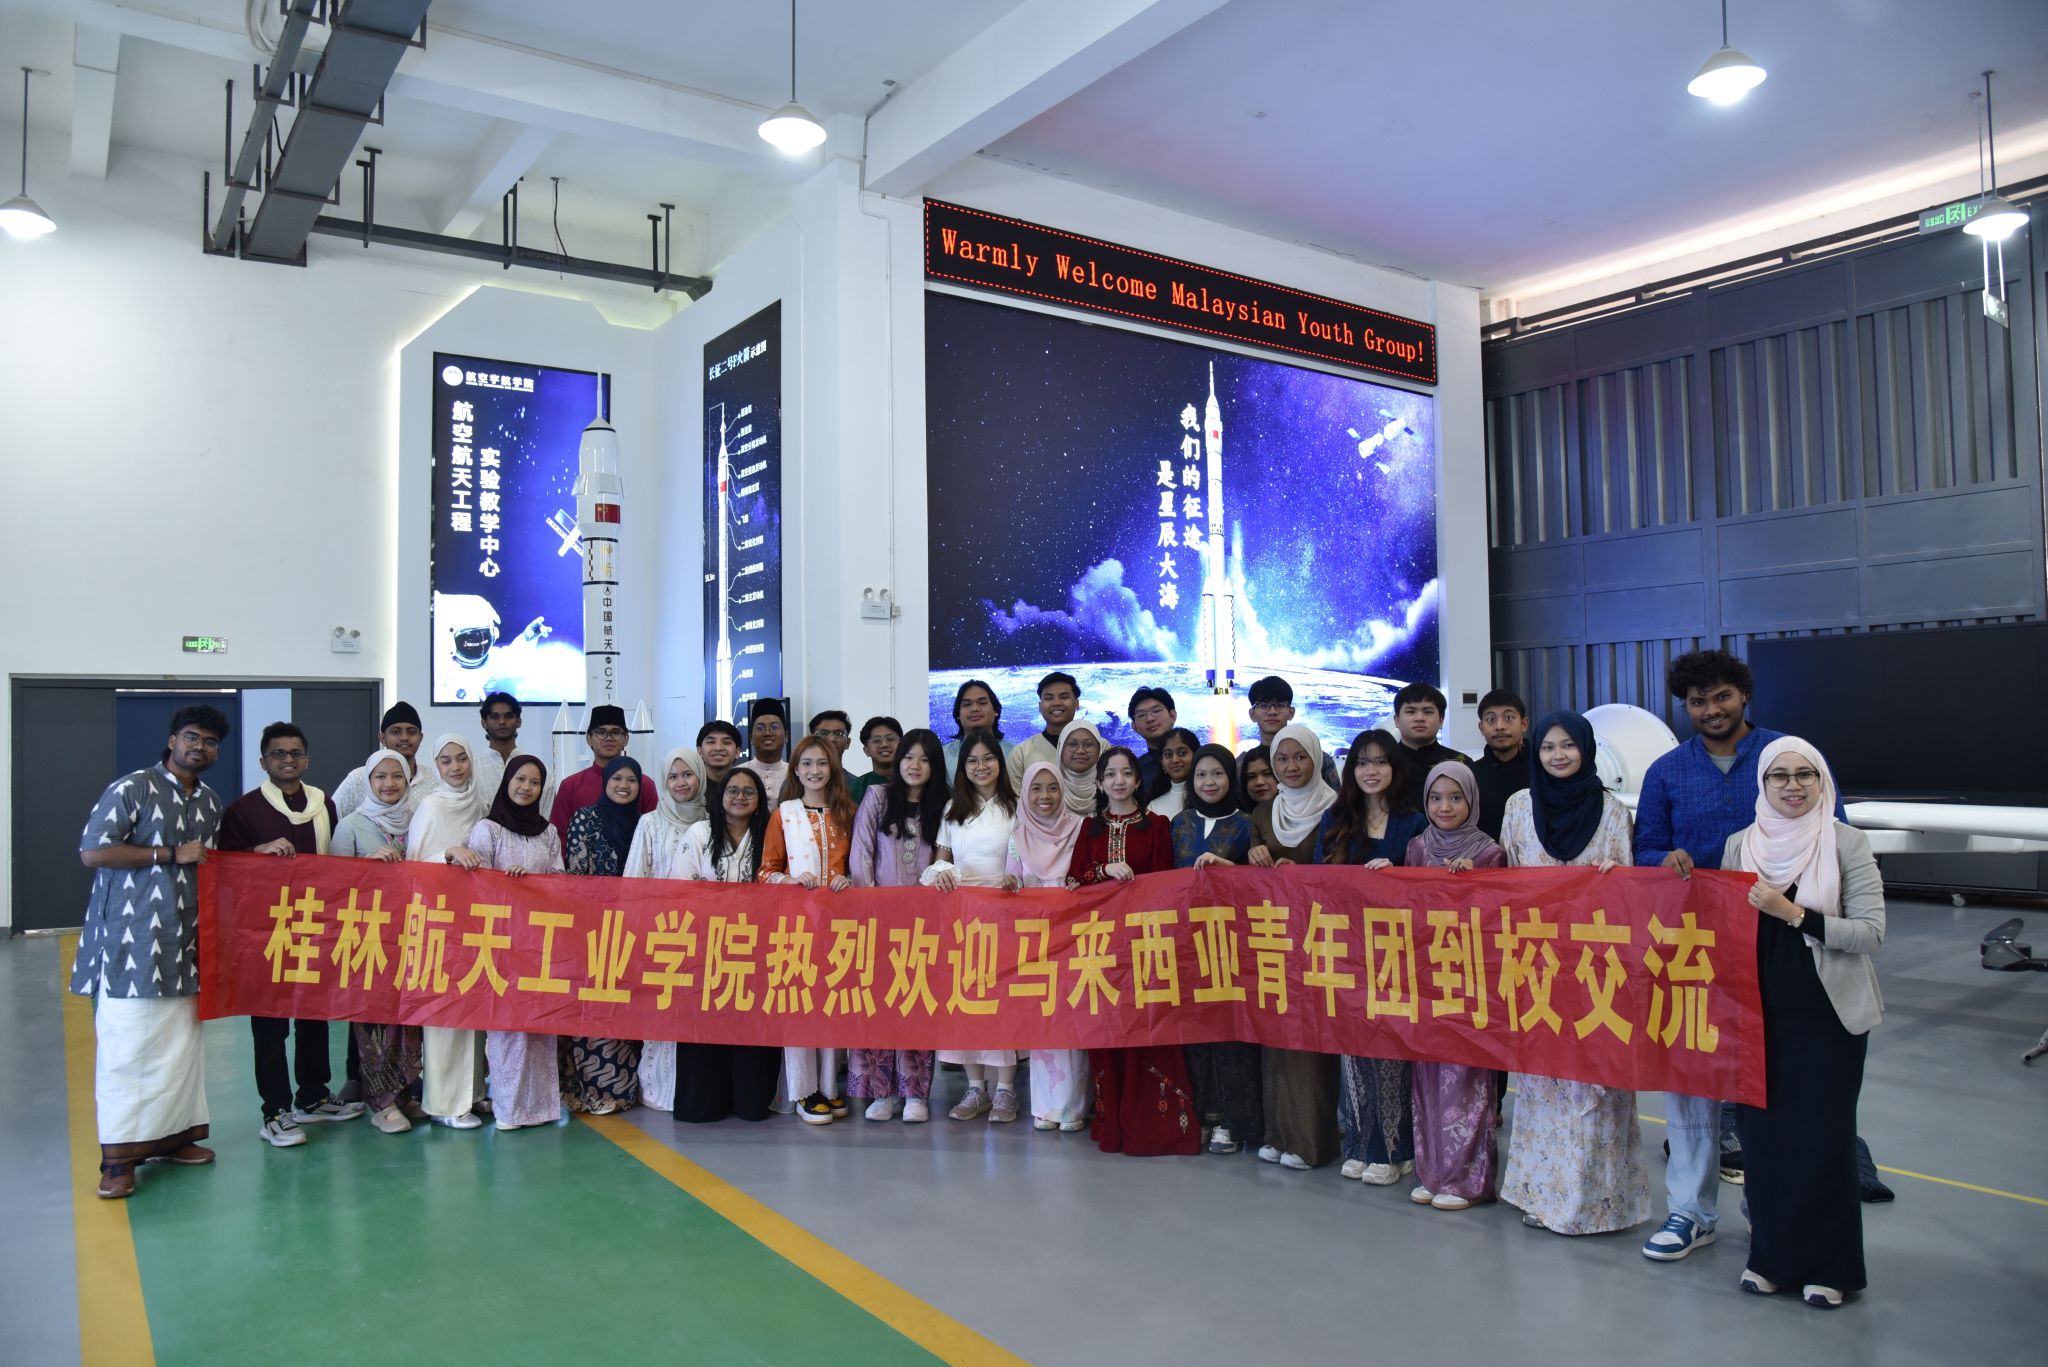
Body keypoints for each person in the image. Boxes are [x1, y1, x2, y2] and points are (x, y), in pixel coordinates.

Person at [1633, 647, 1849, 1260]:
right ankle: (1690, 1212)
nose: (1711, 710)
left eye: (1721, 696)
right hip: (1693, 944)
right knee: (1690, 1078)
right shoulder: (1667, 771)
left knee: (1768, 1080)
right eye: (1697, 701)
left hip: (1780, 944)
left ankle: (1769, 1209)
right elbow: (1644, 847)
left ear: (1744, 694)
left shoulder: (1786, 756)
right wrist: (1663, 859)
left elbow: (1836, 832)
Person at [1728, 740, 1884, 1310]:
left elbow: (1870, 932)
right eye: (1780, 776)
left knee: (1822, 1140)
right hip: (1757, 1014)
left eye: (1805, 775)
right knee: (1763, 1142)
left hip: (1827, 1018)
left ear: (1822, 782)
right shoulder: (1741, 845)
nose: (1792, 786)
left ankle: (1829, 1268)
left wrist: (1794, 914)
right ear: (1763, 785)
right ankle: (1770, 1259)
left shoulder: (1845, 842)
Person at [1497, 709, 1652, 1236]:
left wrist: (1617, 879)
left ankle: (1596, 1204)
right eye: (1548, 747)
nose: (1558, 755)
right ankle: (1541, 1195)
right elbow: (1506, 883)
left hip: (1596, 971)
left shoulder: (1612, 812)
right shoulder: (1519, 807)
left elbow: (1631, 892)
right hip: (1538, 966)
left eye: (1568, 745)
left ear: (1586, 749)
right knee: (1542, 1082)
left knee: (1596, 1085)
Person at [75, 705, 230, 1200]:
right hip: (131, 945)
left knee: (180, 1049)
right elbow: (94, 851)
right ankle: (119, 1159)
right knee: (128, 1050)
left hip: (185, 944)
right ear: (172, 740)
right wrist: (167, 854)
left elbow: (212, 862)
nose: (199, 747)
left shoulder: (210, 801)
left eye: (210, 742)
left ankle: (175, 1138)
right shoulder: (133, 788)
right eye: (192, 737)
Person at [217, 723, 362, 1147]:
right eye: (278, 753)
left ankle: (313, 1097)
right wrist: (255, 853)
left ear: (307, 759)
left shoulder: (323, 805)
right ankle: (275, 1111)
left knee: (314, 1015)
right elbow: (223, 869)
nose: (287, 759)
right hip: (265, 932)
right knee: (270, 1023)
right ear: (263, 761)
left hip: (315, 925)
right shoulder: (244, 810)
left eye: (295, 753)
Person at [1315, 730, 1429, 1185]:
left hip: (1397, 954)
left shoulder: (1413, 822)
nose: (1371, 770)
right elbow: (1319, 883)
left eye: (1380, 761)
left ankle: (1394, 1149)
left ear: (1395, 768)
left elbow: (1429, 890)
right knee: (1354, 1052)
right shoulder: (1335, 818)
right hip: (1348, 952)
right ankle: (1361, 1143)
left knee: (1391, 1052)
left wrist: (1399, 876)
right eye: (1362, 762)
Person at [1074, 747, 1198, 1156]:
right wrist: (1102, 870)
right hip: (1101, 949)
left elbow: (1165, 884)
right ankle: (1112, 1123)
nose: (1119, 781)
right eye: (1110, 774)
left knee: (1148, 1029)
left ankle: (1153, 1125)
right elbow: (1073, 882)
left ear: (1138, 780)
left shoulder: (1157, 825)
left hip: (1146, 946)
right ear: (1099, 782)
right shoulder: (1089, 828)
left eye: (1126, 773)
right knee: (1108, 1033)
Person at [1403, 761, 1507, 1211]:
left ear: (1471, 800)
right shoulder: (1416, 847)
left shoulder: (1489, 852)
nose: (1444, 807)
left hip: (1469, 981)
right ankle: (1432, 1172)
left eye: (1455, 798)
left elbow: (1499, 916)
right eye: (1435, 798)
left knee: (1465, 1078)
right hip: (1425, 977)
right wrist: (1383, 875)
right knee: (1427, 1076)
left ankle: (1467, 1180)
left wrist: (1474, 883)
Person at [1246, 723, 1341, 1170]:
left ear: (1316, 758)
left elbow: (1341, 871)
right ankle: (1278, 1134)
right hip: (1274, 940)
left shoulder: (1336, 808)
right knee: (1276, 1036)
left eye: (1300, 756)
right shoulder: (1264, 813)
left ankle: (1312, 1141)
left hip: (1320, 940)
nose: (1291, 766)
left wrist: (1301, 874)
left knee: (1311, 1039)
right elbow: (1251, 879)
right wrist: (1253, 859)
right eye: (1282, 759)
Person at [460, 755, 566, 1132]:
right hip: (500, 943)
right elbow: (477, 885)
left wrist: (534, 883)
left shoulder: (548, 832)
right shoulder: (487, 830)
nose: (526, 787)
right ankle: (508, 1109)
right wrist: (509, 885)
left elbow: (560, 881)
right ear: (507, 781)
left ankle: (540, 1107)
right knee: (507, 1029)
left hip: (539, 943)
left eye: (535, 782)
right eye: (520, 779)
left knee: (538, 1025)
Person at [672, 767, 784, 1123]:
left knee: (751, 1025)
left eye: (749, 792)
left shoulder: (770, 836)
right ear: (720, 798)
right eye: (732, 790)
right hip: (707, 947)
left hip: (757, 949)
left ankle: (751, 1100)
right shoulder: (700, 833)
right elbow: (681, 888)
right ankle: (705, 1103)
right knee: (708, 1024)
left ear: (759, 800)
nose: (740, 797)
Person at [922, 731, 1023, 1123]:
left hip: (1005, 916)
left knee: (1001, 1004)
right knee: (964, 1003)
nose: (981, 767)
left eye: (988, 759)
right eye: (972, 761)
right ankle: (975, 1088)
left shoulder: (1016, 806)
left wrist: (1016, 878)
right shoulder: (953, 809)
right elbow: (941, 858)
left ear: (1000, 762)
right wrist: (942, 872)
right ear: (962, 768)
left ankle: (1006, 1089)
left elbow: (1024, 858)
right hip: (962, 919)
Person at [847, 728, 946, 1122]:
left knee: (916, 1002)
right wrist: (871, 906)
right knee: (876, 1004)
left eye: (924, 759)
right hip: (877, 920)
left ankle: (915, 1094)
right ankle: (880, 1093)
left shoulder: (945, 804)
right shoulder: (877, 797)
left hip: (923, 924)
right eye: (908, 757)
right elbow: (861, 853)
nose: (914, 765)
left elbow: (944, 861)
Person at [758, 735, 856, 1123]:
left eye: (822, 763)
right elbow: (766, 872)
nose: (815, 771)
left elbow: (858, 866)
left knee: (832, 1006)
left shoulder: (847, 812)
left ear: (832, 768)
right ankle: (803, 1090)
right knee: (800, 1006)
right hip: (795, 927)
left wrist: (849, 881)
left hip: (840, 926)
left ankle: (830, 1087)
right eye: (807, 764)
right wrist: (791, 880)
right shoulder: (783, 814)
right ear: (795, 771)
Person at [331, 747, 425, 1134]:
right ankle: (381, 1103)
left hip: (413, 936)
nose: (389, 783)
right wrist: (366, 869)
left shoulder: (418, 819)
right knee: (374, 1023)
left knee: (409, 1020)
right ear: (368, 782)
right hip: (369, 939)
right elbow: (335, 887)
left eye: (397, 776)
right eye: (380, 777)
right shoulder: (351, 825)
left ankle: (404, 1093)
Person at [1173, 745, 1261, 1155]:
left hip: (1232, 946)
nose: (1209, 782)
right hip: (1185, 944)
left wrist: (1230, 872)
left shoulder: (1247, 823)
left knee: (1230, 1034)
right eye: (1201, 775)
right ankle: (1201, 1115)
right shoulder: (1179, 823)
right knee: (1192, 1032)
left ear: (1231, 778)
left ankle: (1233, 1120)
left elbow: (1262, 884)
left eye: (1218, 774)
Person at [406, 734, 491, 1129]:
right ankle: (445, 1104)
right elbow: (413, 868)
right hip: (437, 923)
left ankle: (472, 1093)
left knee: (474, 1010)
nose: (455, 767)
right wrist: (447, 855)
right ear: (436, 766)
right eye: (446, 761)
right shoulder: (431, 807)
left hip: (475, 921)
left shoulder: (480, 804)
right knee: (444, 1016)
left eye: (461, 758)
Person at [561, 756, 647, 1115]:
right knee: (594, 1006)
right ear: (606, 782)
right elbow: (576, 874)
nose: (624, 786)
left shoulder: (644, 823)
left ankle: (624, 1089)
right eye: (617, 779)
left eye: (631, 780)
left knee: (627, 1007)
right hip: (593, 929)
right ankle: (592, 1088)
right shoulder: (585, 818)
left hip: (635, 931)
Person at [626, 747, 711, 1112]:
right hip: (660, 936)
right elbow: (634, 881)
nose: (681, 782)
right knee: (662, 1014)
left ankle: (695, 1088)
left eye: (687, 774)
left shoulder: (713, 818)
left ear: (700, 777)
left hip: (705, 936)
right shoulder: (650, 822)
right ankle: (659, 1090)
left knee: (697, 1015)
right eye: (673, 776)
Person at [1009, 761, 1088, 1131]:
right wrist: (1009, 885)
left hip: (1075, 938)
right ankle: (1045, 1107)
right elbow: (1011, 878)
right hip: (1035, 941)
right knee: (1043, 1019)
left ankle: (1074, 1107)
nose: (1045, 796)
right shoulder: (1018, 836)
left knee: (1074, 1018)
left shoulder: (1080, 828)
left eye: (1052, 787)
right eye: (1036, 788)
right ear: (1025, 793)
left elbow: (1089, 873)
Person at [548, 704, 654, 843]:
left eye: (616, 732)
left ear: (626, 739)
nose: (608, 738)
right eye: (601, 732)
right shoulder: (570, 786)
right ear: (589, 738)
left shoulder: (644, 784)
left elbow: (654, 833)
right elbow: (559, 838)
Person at [331, 702, 431, 819]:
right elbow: (331, 818)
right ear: (382, 738)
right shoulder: (358, 778)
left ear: (420, 738)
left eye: (412, 732)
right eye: (395, 732)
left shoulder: (433, 778)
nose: (404, 737)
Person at [1241, 676, 1339, 788]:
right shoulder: (1244, 764)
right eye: (1264, 706)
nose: (1272, 712)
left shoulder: (1317, 758)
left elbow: (1337, 797)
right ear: (1252, 714)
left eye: (1280, 705)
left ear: (1291, 712)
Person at [1390, 682, 1469, 810]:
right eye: (1411, 712)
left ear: (1441, 720)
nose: (1419, 718)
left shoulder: (1461, 762)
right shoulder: (1385, 762)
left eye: (1427, 712)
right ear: (1397, 720)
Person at [1469, 688, 1531, 840]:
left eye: (1508, 718)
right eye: (1491, 719)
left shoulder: (1544, 768)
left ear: (1524, 724)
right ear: (1481, 728)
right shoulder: (1471, 775)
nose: (1499, 726)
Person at [1005, 671, 1081, 789]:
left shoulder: (1100, 747)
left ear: (1077, 703)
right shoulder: (1021, 753)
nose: (1056, 703)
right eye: (1049, 698)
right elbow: (1015, 797)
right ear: (1040, 707)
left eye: (1064, 697)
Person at [941, 678, 1004, 775]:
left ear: (996, 710)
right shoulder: (943, 755)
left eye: (982, 703)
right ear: (958, 714)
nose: (974, 709)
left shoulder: (1014, 753)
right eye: (966, 704)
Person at [1128, 685, 1178, 790]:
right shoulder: (1134, 772)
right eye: (1141, 715)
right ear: (1134, 727)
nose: (1150, 718)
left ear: (1172, 716)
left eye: (1156, 711)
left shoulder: (1198, 760)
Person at [1053, 719, 1105, 817]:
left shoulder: (1112, 788)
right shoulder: (1049, 789)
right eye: (1072, 744)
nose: (1080, 751)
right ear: (1061, 748)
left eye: (1089, 744)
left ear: (1099, 749)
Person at [1145, 726, 1199, 820]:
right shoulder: (1153, 807)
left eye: (1182, 753)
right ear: (1161, 761)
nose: (1175, 760)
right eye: (1168, 755)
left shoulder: (1210, 794)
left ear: (1196, 755)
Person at [742, 699, 792, 800]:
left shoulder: (797, 774)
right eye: (760, 728)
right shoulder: (737, 773)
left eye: (774, 727)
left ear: (786, 736)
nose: (767, 733)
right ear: (751, 738)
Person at [850, 715, 902, 801]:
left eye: (890, 739)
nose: (884, 744)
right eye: (877, 741)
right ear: (866, 750)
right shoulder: (854, 789)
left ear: (902, 744)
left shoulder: (914, 783)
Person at [696, 719, 743, 801]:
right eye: (711, 742)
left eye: (726, 742)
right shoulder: (691, 788)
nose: (718, 748)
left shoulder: (747, 786)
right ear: (699, 751)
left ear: (737, 752)